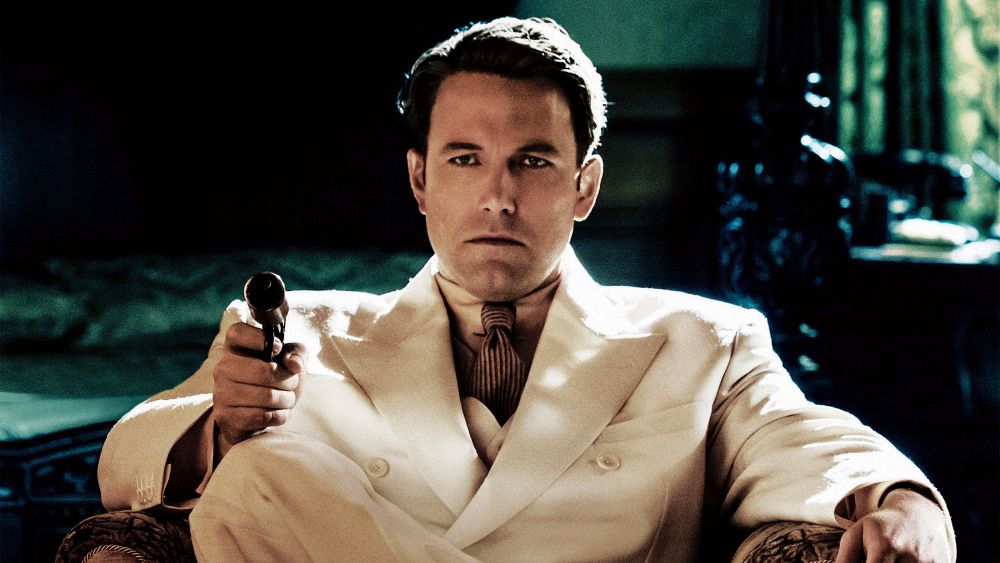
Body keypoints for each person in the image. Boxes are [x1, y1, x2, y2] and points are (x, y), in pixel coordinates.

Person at [98, 16, 955, 562]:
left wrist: (903, 499)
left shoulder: (704, 340)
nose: (498, 196)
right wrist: (220, 425)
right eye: (465, 159)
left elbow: (808, 442)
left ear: (586, 187)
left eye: (533, 162)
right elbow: (123, 462)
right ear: (420, 180)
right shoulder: (300, 333)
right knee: (259, 473)